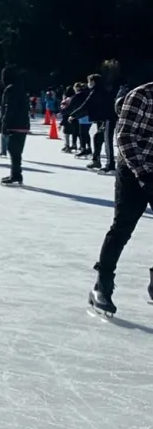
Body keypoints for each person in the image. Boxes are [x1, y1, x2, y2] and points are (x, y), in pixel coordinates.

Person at [89, 81, 153, 315]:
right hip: (133, 170)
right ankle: (102, 286)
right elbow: (125, 137)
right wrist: (143, 173)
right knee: (122, 229)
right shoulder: (142, 95)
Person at [0, 67, 31, 186]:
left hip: (14, 124)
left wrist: (5, 123)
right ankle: (16, 173)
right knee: (16, 151)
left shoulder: (11, 89)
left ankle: (16, 174)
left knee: (13, 150)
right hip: (23, 123)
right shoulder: (21, 88)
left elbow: (10, 108)